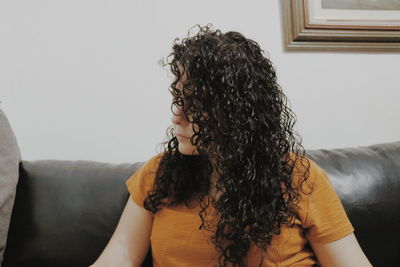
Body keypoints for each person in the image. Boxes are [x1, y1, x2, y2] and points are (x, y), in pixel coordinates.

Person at [90, 25, 372, 267]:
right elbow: (121, 256)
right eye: (179, 100)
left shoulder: (300, 178)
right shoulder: (159, 173)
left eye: (196, 105)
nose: (178, 116)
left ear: (236, 113)